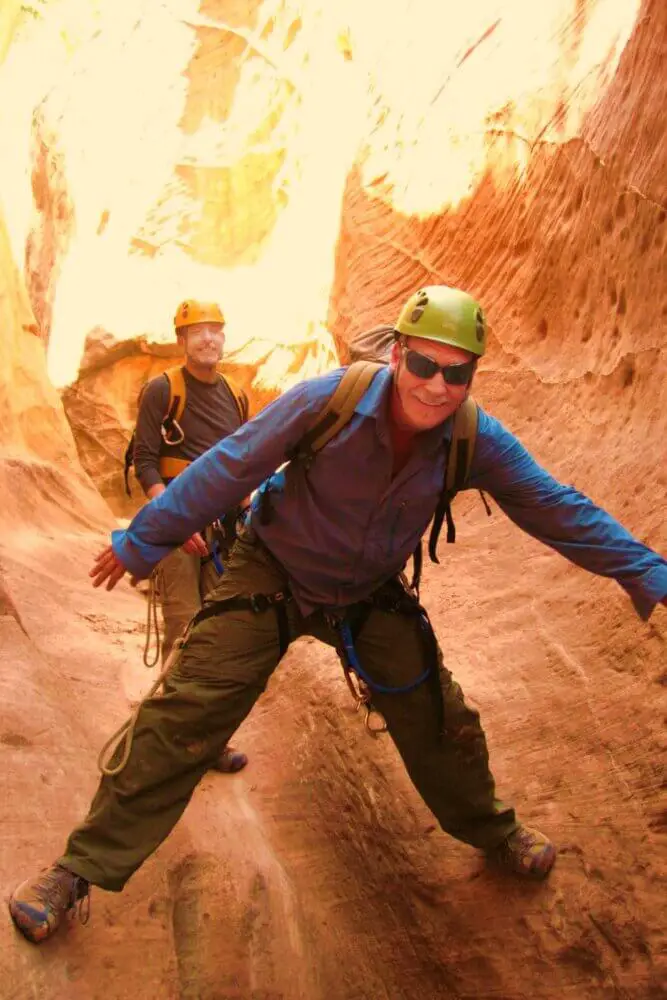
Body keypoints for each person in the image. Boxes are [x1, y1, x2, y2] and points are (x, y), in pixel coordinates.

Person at [10, 285, 667, 945]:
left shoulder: (475, 439)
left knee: (440, 716)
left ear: (472, 374)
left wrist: (646, 571)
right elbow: (230, 468)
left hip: (365, 592)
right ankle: (76, 870)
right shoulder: (330, 399)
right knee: (182, 713)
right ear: (397, 354)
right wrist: (143, 539)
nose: (438, 386)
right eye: (424, 365)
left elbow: (556, 508)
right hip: (272, 572)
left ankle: (492, 830)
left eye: (457, 372)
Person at [131, 298, 249, 774]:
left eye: (214, 330)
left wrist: (250, 517)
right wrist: (175, 523)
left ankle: (208, 739)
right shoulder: (163, 391)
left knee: (218, 637)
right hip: (179, 530)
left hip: (222, 533)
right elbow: (145, 462)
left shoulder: (235, 396)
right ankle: (166, 739)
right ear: (181, 341)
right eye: (196, 331)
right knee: (183, 631)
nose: (207, 339)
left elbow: (244, 463)